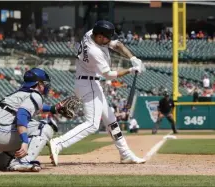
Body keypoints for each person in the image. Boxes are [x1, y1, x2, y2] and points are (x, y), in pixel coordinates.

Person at [49, 20, 146, 166]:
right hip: (89, 83)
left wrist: (133, 58)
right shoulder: (94, 51)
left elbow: (118, 45)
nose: (109, 39)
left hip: (86, 81)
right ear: (99, 36)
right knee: (92, 124)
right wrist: (131, 70)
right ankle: (59, 143)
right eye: (107, 37)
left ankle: (125, 154)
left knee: (111, 119)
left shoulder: (91, 34)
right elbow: (109, 75)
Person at [0, 68, 59, 172]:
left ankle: (4, 160)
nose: (46, 86)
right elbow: (22, 115)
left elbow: (35, 106)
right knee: (45, 126)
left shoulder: (20, 93)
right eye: (44, 83)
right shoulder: (35, 95)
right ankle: (23, 161)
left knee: (31, 125)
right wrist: (24, 141)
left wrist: (53, 108)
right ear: (38, 84)